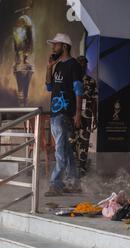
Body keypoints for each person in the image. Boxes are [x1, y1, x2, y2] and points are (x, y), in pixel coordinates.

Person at [44, 33, 83, 197]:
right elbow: (49, 87)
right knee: (65, 151)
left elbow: (78, 89)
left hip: (65, 113)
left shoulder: (73, 65)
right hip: (55, 112)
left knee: (60, 150)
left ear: (65, 46)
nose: (53, 47)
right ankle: (74, 184)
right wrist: (49, 67)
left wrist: (78, 113)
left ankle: (56, 184)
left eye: (56, 44)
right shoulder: (58, 65)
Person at [70, 55, 98, 176]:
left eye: (84, 64)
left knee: (84, 142)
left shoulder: (91, 82)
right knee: (71, 140)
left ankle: (82, 167)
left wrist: (95, 117)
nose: (82, 65)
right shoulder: (70, 80)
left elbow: (95, 100)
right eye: (80, 63)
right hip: (72, 116)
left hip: (86, 116)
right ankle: (70, 167)